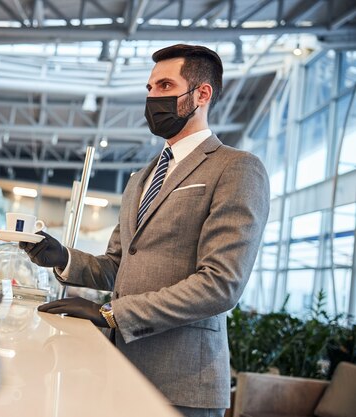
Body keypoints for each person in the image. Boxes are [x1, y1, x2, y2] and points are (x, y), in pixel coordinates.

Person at [20, 44, 270, 417]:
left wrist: (111, 314)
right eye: (150, 89)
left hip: (182, 382)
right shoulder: (141, 178)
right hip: (117, 369)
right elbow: (119, 265)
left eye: (166, 86)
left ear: (202, 94)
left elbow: (221, 284)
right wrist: (64, 257)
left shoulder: (236, 168)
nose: (153, 98)